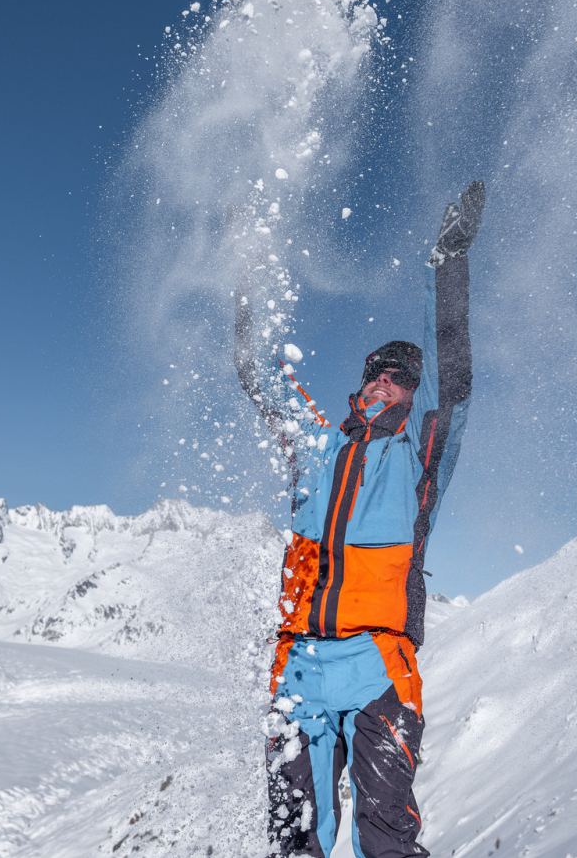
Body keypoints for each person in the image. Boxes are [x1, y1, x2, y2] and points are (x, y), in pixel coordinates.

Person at [235, 180, 484, 858]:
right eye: (377, 370)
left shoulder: (418, 455)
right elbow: (259, 373)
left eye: (400, 375)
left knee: (384, 835)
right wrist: (245, 270)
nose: (384, 378)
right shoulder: (317, 447)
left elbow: (453, 379)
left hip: (378, 664)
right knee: (294, 840)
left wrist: (447, 265)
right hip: (297, 665)